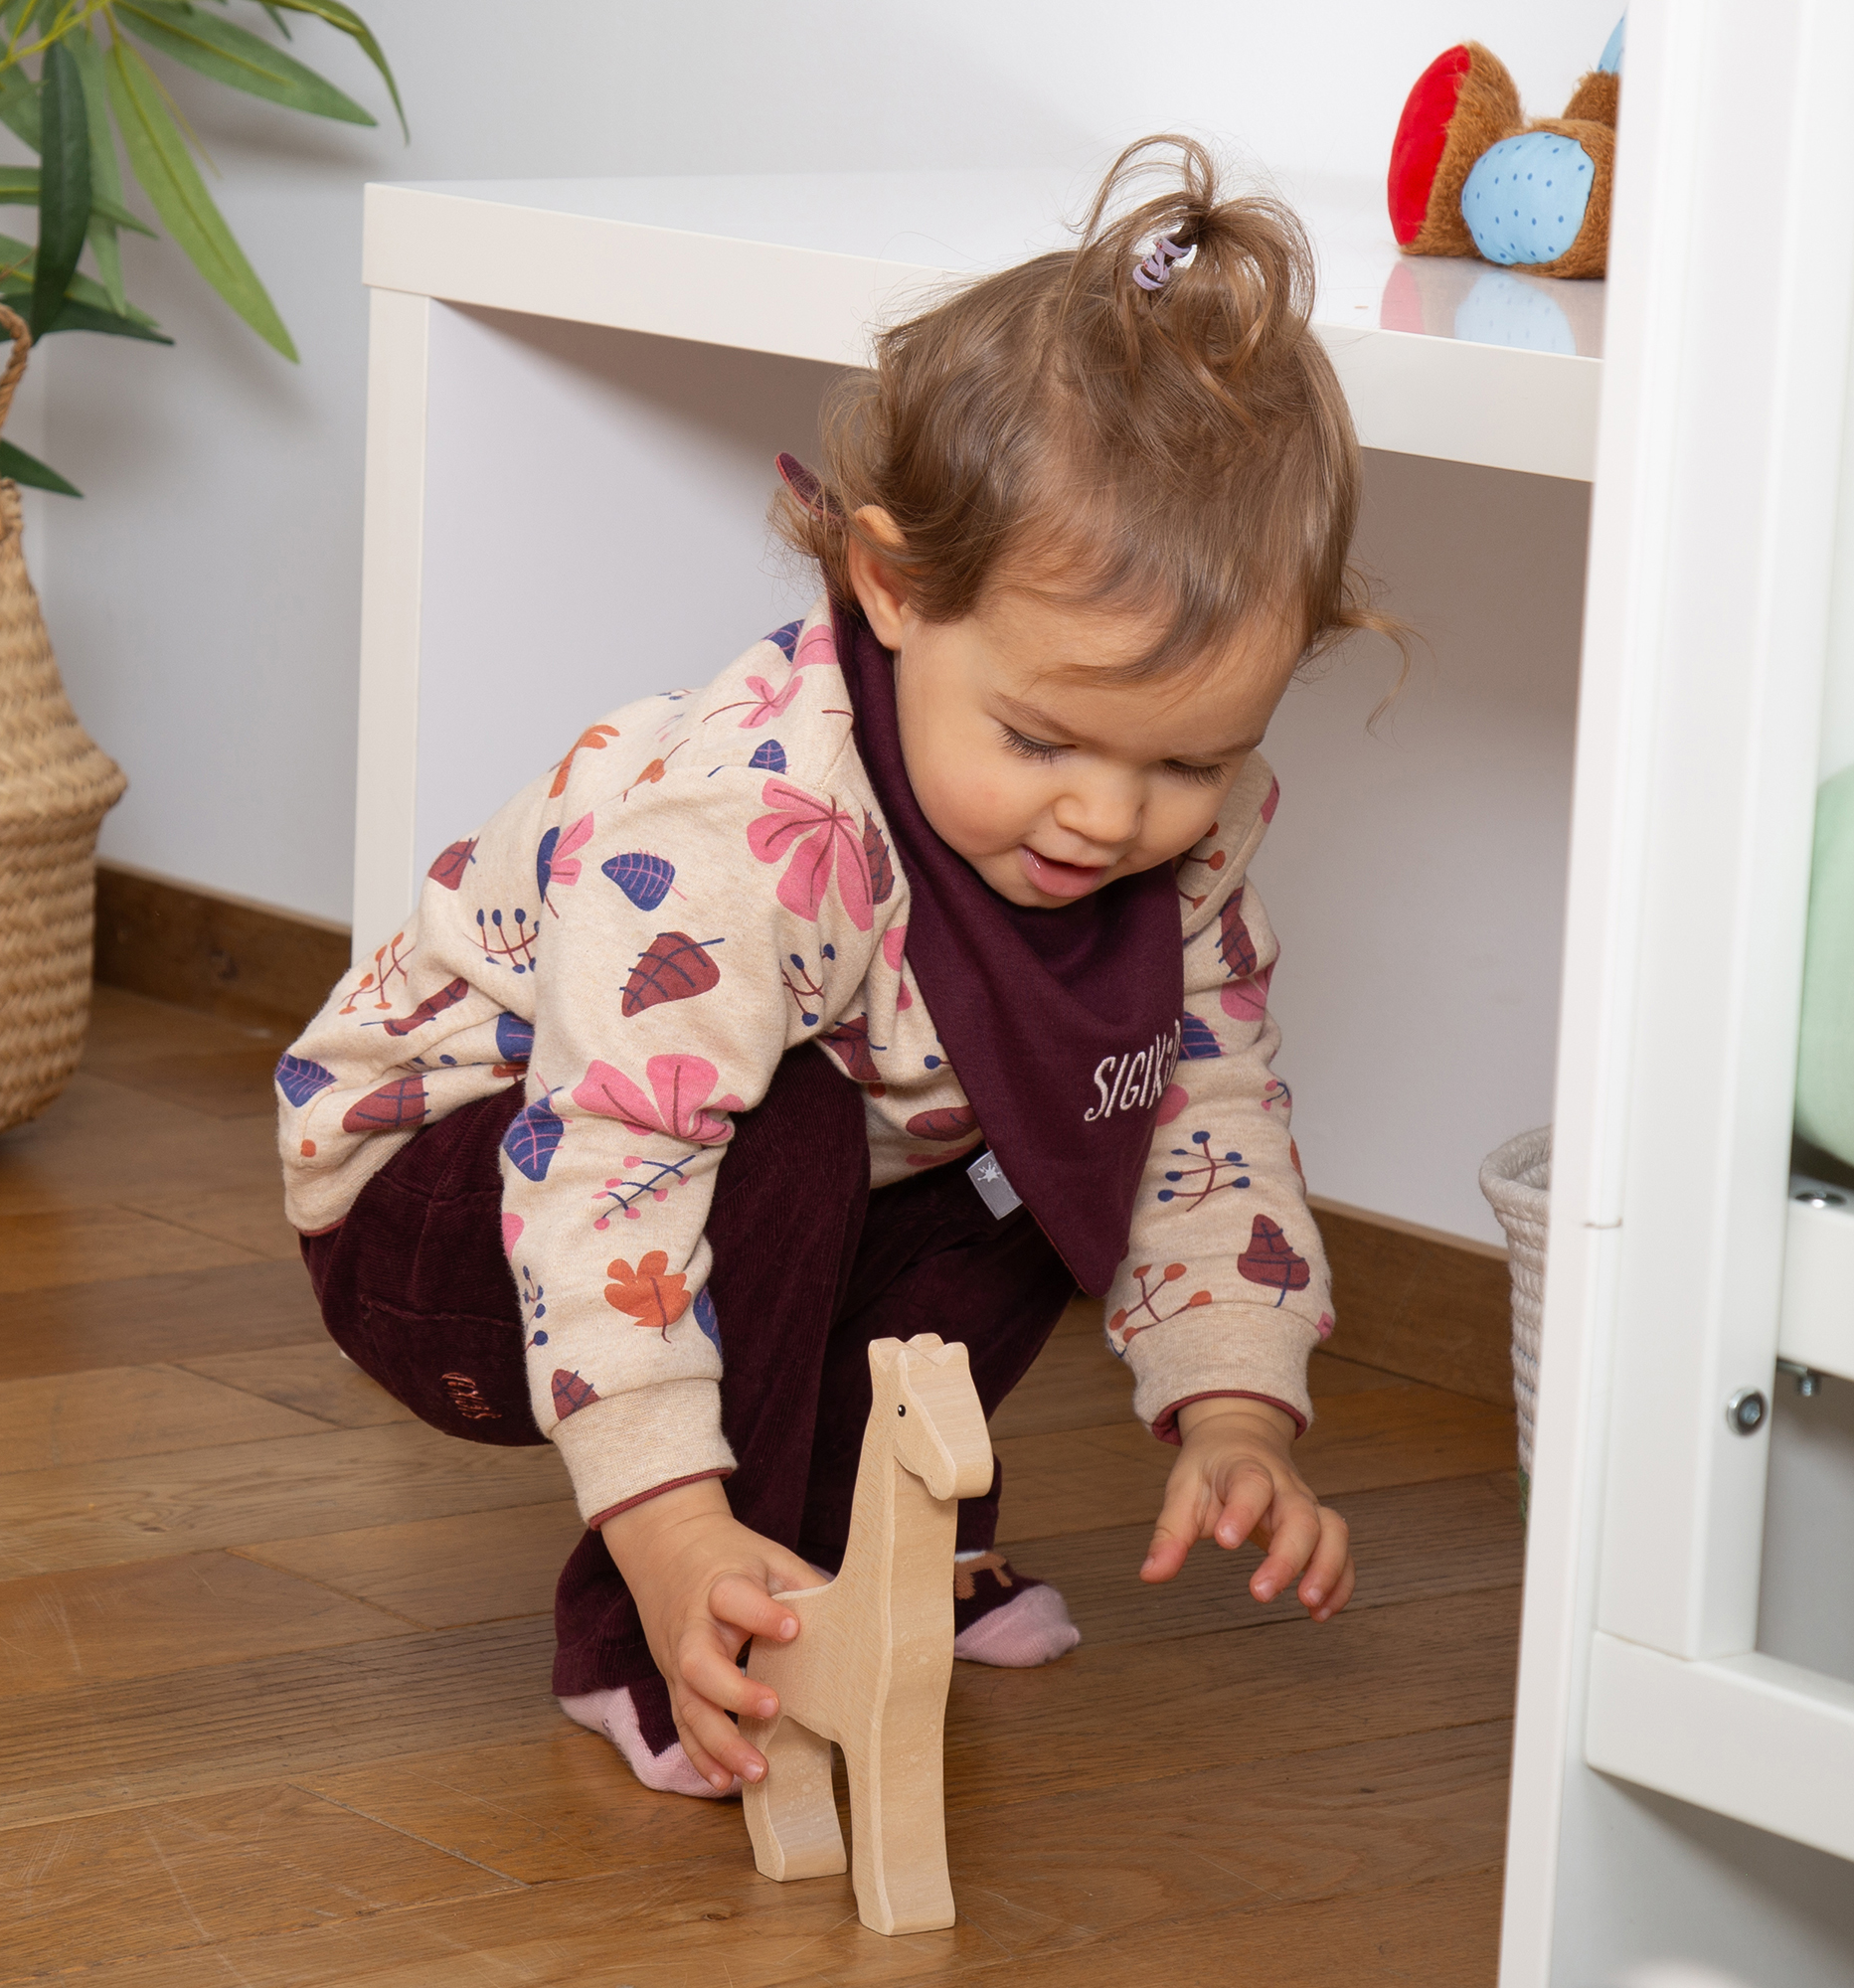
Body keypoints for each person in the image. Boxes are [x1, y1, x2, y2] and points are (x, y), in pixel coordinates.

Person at [278, 134, 1381, 1801]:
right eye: (1043, 737)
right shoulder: (753, 828)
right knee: (782, 1129)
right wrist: (665, 1524)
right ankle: (666, 1620)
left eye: (1187, 762)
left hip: (738, 1186)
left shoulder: (1174, 839)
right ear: (891, 584)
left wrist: (1237, 1408)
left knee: (1085, 1112)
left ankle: (891, 1546)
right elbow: (614, 1177)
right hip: (458, 1207)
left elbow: (1202, 1107)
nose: (1109, 814)